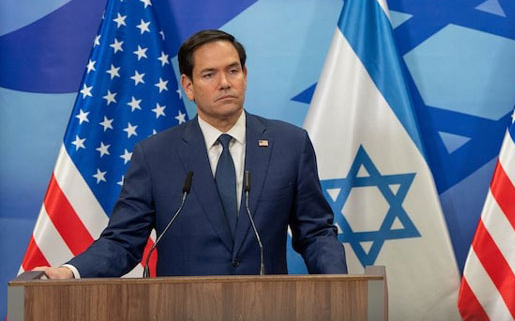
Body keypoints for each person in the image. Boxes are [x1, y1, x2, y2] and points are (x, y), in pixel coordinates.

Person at [35, 29, 347, 278]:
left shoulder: (289, 144)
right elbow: (123, 242)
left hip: (268, 309)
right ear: (188, 86)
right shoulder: (155, 156)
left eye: (233, 71)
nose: (224, 83)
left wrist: (340, 285)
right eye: (209, 74)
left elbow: (315, 232)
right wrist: (71, 271)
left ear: (245, 75)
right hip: (183, 309)